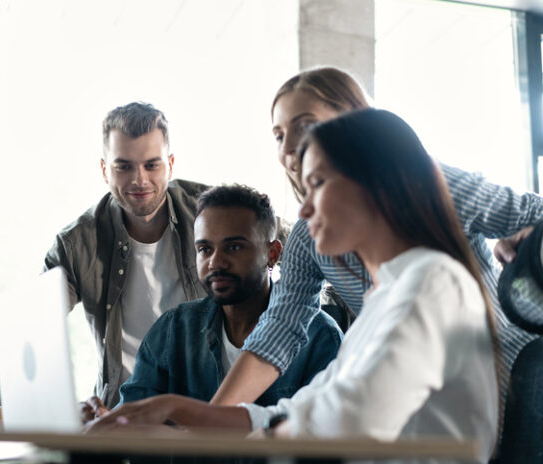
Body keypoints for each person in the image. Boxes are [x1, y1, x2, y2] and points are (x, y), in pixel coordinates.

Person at [88, 109, 500, 463]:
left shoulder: (433, 282)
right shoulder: (384, 298)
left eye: (318, 183)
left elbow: (348, 422)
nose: (303, 208)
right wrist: (169, 410)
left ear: (379, 185)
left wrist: (189, 433)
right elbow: (300, 410)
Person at [210, 67, 543, 408]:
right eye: (279, 135)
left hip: (518, 380)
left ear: (358, 122)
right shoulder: (309, 238)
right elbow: (279, 330)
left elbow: (537, 212)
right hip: (432, 402)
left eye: (306, 126)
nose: (290, 149)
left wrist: (525, 237)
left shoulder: (432, 184)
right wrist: (209, 419)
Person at [0, 102, 211, 408]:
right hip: (122, 416)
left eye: (151, 165)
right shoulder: (77, 243)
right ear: (105, 170)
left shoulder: (210, 211)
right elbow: (33, 327)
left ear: (170, 164)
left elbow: (282, 239)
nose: (139, 180)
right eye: (124, 166)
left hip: (206, 411)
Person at [81, 185, 341, 421]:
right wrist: (101, 418)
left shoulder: (320, 337)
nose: (216, 262)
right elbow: (133, 421)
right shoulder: (173, 331)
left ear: (272, 254)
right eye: (205, 249)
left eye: (234, 248)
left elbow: (326, 437)